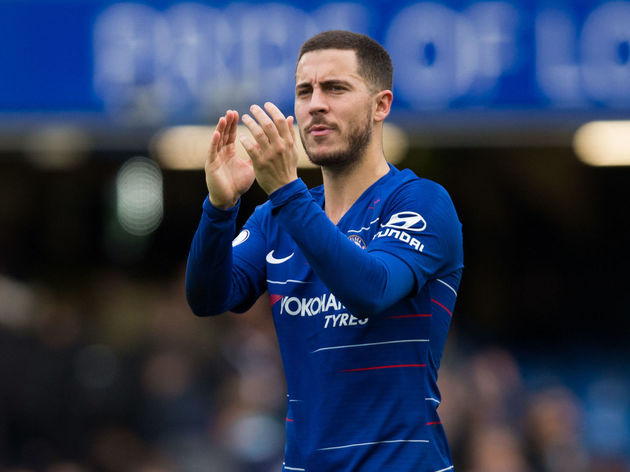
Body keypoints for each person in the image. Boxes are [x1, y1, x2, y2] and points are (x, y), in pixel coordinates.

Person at [186, 30, 464, 472]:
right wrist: (219, 209)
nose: (316, 104)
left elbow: (371, 289)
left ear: (381, 105)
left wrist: (286, 190)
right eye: (304, 91)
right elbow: (208, 298)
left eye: (335, 88)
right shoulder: (277, 217)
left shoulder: (421, 202)